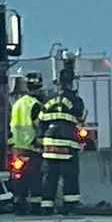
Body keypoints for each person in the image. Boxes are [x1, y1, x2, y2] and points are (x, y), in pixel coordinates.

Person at [38, 76, 86, 215]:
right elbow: (80, 117)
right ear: (70, 84)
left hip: (49, 143)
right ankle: (70, 205)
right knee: (70, 175)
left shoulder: (48, 99)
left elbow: (41, 120)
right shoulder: (75, 100)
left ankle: (47, 206)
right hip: (67, 143)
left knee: (49, 176)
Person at [7, 73, 44, 215]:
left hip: (17, 146)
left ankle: (19, 203)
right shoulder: (34, 105)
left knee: (19, 177)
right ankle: (35, 206)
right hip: (32, 146)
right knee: (35, 177)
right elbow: (39, 125)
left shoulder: (17, 104)